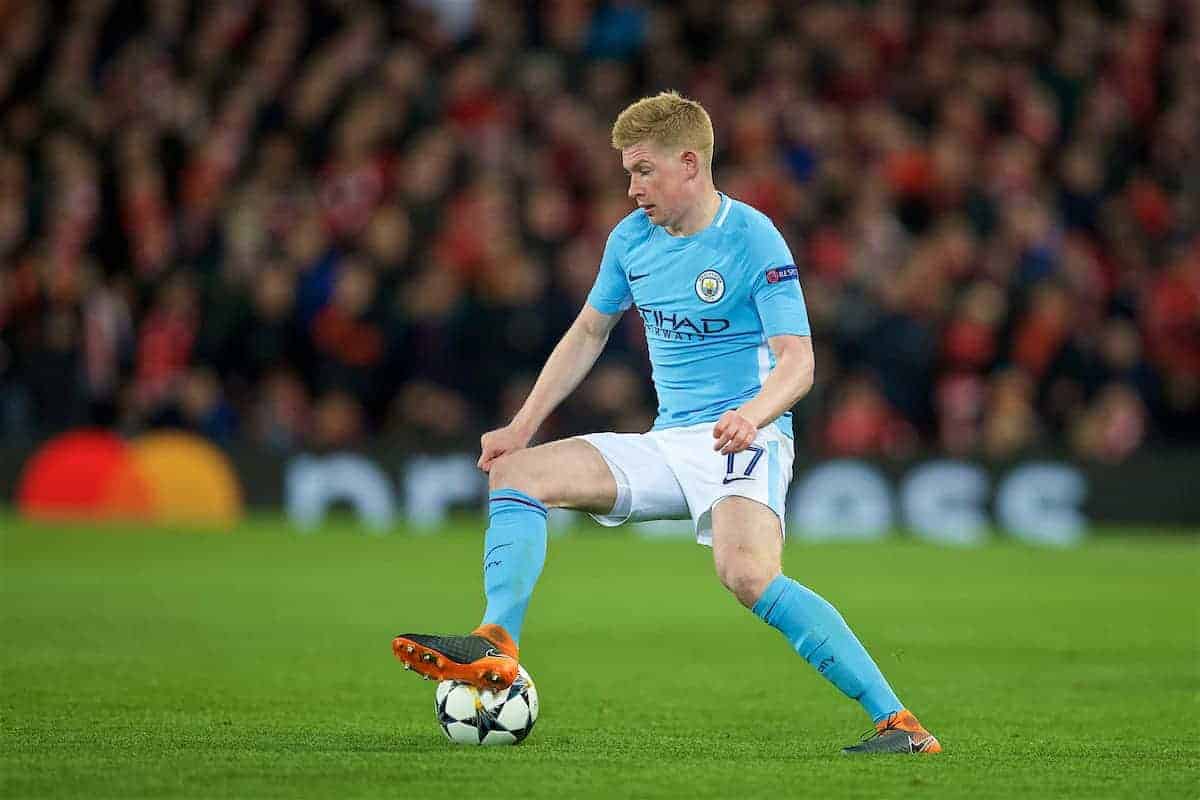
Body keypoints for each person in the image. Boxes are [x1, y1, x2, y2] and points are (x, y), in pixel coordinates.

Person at [393, 92, 941, 755]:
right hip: (670, 438)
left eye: (643, 171)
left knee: (746, 574)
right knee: (517, 472)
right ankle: (496, 644)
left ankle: (901, 725)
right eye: (627, 172)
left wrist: (753, 413)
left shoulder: (752, 237)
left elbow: (799, 363)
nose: (631, 190)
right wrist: (521, 424)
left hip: (748, 435)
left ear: (689, 164)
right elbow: (589, 332)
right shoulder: (631, 242)